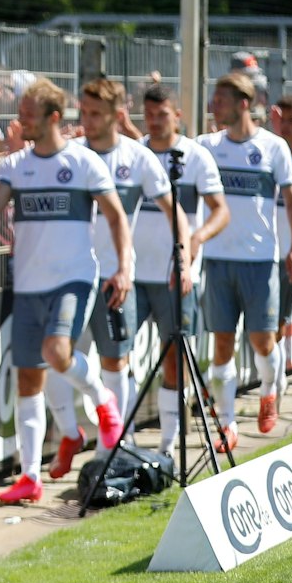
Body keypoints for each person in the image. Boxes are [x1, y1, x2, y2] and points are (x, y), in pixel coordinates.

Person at [0, 78, 130, 503]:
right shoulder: (17, 165)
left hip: (73, 278)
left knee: (58, 352)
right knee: (28, 380)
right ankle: (29, 477)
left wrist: (125, 267)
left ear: (53, 118)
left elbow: (116, 217)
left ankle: (103, 402)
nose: (20, 121)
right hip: (28, 285)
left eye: (27, 114)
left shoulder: (83, 163)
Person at [73, 79, 187, 453]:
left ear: (117, 116)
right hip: (68, 276)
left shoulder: (138, 159)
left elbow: (177, 213)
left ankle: (119, 446)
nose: (86, 121)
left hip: (113, 276)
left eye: (95, 114)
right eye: (84, 112)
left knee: (115, 360)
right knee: (57, 357)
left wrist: (182, 259)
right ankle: (75, 431)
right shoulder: (72, 152)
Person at [198, 71, 292, 448]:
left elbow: (291, 200)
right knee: (221, 342)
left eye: (220, 101)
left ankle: (269, 392)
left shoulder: (273, 147)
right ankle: (226, 424)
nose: (213, 107)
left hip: (260, 260)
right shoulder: (207, 146)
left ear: (243, 104)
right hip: (218, 258)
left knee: (262, 341)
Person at [137, 84, 228, 445]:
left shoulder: (195, 156)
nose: (155, 122)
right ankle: (120, 443)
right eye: (149, 115)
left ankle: (167, 445)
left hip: (176, 276)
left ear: (178, 116)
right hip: (130, 272)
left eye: (163, 115)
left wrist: (195, 239)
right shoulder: (136, 154)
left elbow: (221, 210)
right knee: (119, 359)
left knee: (175, 357)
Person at [269, 95, 292, 376]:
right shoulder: (269, 159)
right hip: (273, 259)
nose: (286, 127)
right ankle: (274, 396)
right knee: (273, 332)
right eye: (283, 120)